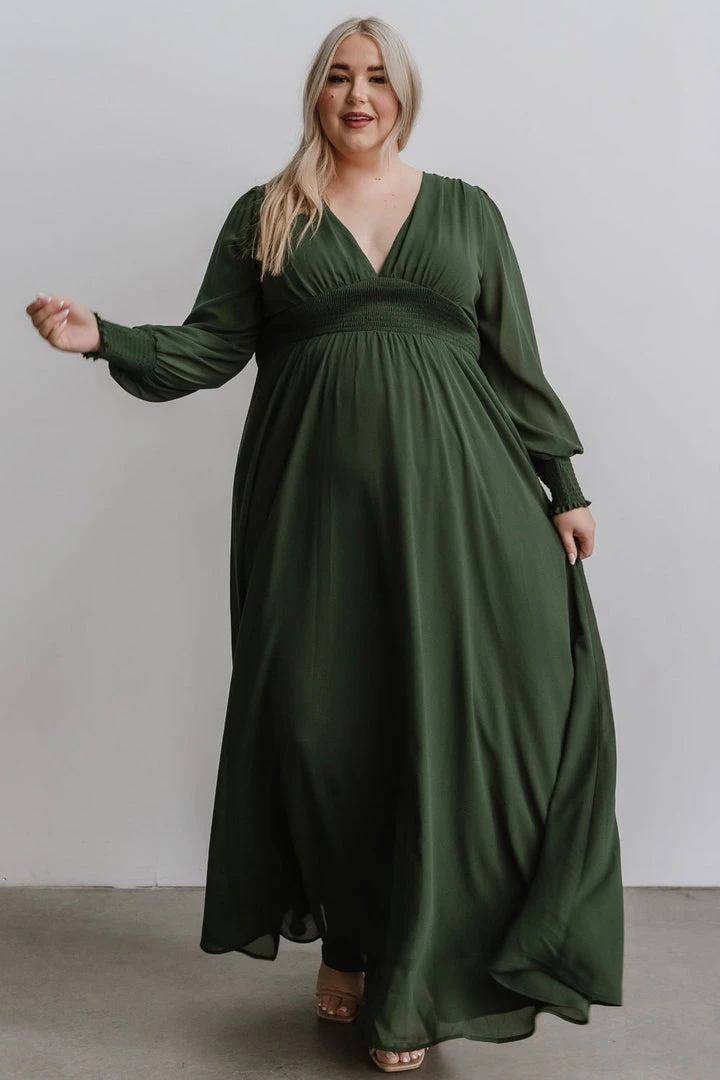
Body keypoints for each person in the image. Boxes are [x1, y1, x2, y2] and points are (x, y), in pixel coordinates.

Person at [25, 15, 624, 1074]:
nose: (359, 95)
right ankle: (347, 938)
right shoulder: (269, 213)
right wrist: (101, 337)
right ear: (316, 92)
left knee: (454, 725)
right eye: (340, 77)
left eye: (378, 78)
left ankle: (412, 978)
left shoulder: (469, 211)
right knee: (322, 725)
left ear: (404, 94)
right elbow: (210, 347)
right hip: (310, 509)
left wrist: (563, 485)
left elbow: (513, 361)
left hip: (464, 506)